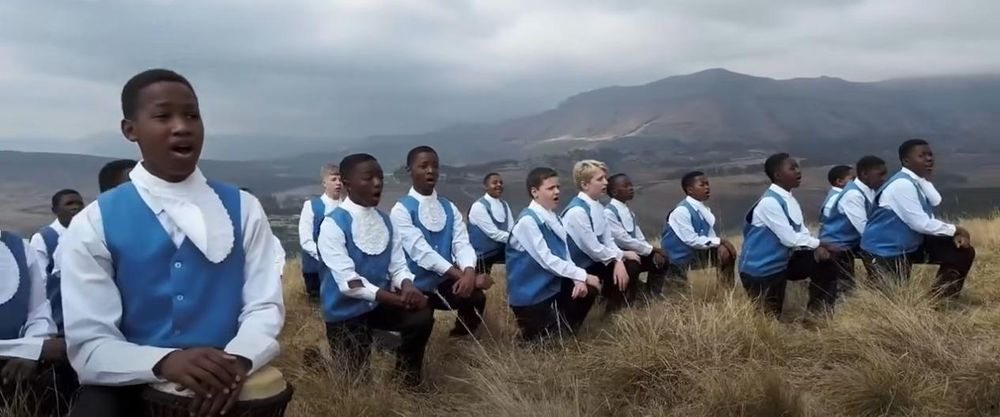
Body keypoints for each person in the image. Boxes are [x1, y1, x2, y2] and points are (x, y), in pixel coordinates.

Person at [60, 69, 284, 417]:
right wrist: (164, 361)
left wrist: (238, 359)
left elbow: (264, 306)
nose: (182, 126)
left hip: (230, 377)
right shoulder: (93, 222)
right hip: (131, 387)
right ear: (130, 130)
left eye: (192, 115)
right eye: (163, 116)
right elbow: (90, 343)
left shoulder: (244, 208)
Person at [317, 153, 432, 386]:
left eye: (380, 177)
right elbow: (350, 283)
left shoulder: (387, 221)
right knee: (356, 384)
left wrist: (408, 286)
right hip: (345, 314)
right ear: (348, 185)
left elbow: (398, 265)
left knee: (421, 317)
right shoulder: (332, 225)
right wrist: (397, 300)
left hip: (378, 306)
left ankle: (407, 379)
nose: (377, 183)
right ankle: (320, 359)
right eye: (368, 178)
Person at [391, 146, 490, 337]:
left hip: (444, 282)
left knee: (476, 298)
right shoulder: (401, 209)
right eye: (423, 166)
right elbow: (422, 252)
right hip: (415, 284)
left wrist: (469, 272)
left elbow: (461, 243)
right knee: (421, 321)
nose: (430, 171)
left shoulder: (448, 207)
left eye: (435, 166)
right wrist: (462, 276)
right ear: (409, 171)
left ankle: (461, 338)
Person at [860, 139, 975, 298]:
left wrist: (953, 234)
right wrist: (957, 230)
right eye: (922, 156)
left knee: (960, 252)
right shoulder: (902, 185)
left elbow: (935, 200)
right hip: (885, 251)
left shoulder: (916, 181)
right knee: (895, 302)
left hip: (909, 245)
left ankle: (941, 302)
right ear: (906, 161)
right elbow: (921, 224)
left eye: (930, 155)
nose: (929, 159)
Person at [506, 167, 601, 342]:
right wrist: (583, 275)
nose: (557, 191)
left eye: (558, 187)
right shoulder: (527, 222)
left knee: (587, 291)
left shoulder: (553, 218)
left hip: (551, 288)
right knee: (542, 346)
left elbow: (564, 255)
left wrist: (577, 279)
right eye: (550, 188)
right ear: (534, 192)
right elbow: (547, 260)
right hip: (531, 297)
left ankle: (567, 332)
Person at [738, 153, 838, 317]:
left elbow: (801, 232)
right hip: (761, 270)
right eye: (792, 168)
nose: (798, 171)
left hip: (783, 263)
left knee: (826, 262)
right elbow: (789, 239)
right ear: (777, 175)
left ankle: (818, 316)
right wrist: (820, 244)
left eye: (798, 167)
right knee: (768, 319)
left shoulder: (788, 198)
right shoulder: (770, 202)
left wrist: (818, 249)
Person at [28, 189, 83, 413]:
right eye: (70, 203)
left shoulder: (88, 232)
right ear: (55, 210)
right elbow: (37, 284)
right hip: (57, 322)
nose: (76, 207)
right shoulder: (44, 238)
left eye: (79, 203)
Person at [561, 160, 641, 314]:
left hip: (593, 262)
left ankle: (615, 310)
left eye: (605, 178)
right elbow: (593, 248)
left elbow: (608, 240)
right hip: (577, 268)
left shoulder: (597, 206)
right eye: (600, 179)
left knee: (630, 264)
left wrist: (618, 260)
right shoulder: (577, 211)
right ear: (585, 185)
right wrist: (620, 256)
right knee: (624, 262)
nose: (605, 182)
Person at [0, 228, 64, 416]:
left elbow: (38, 312)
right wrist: (32, 348)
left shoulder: (19, 247)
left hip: (13, 366)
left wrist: (30, 354)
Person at [818, 156, 888, 292]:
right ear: (864, 174)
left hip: (850, 245)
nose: (883, 178)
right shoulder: (853, 195)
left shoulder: (869, 190)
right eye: (880, 174)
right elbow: (864, 227)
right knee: (841, 290)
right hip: (836, 247)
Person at [660, 171, 736, 286]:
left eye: (707, 184)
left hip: (696, 254)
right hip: (677, 258)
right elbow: (691, 240)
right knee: (677, 295)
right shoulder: (681, 211)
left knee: (726, 252)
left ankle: (726, 290)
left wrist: (722, 245)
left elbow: (710, 236)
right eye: (702, 185)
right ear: (690, 190)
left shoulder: (704, 209)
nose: (707, 188)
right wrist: (722, 241)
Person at [603, 174, 668, 298]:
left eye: (631, 185)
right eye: (626, 186)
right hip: (619, 257)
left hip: (635, 253)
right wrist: (653, 249)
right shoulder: (609, 213)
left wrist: (652, 252)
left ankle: (652, 295)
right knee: (633, 265)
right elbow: (623, 240)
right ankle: (628, 298)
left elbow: (639, 237)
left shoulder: (629, 212)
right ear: (614, 191)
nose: (631, 188)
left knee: (661, 260)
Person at [298, 164, 343, 301]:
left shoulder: (347, 207)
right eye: (334, 179)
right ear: (324, 183)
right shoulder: (312, 206)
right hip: (315, 269)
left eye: (340, 180)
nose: (338, 183)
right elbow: (305, 239)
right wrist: (325, 257)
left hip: (342, 269)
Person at [467, 172, 513, 275]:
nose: (499, 185)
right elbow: (494, 233)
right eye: (494, 183)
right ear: (486, 186)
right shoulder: (479, 206)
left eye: (501, 183)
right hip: (482, 256)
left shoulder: (505, 205)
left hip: (499, 251)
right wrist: (517, 239)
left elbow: (511, 229)